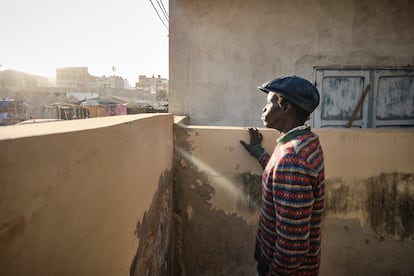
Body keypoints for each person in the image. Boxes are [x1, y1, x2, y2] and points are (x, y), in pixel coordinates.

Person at [240, 76, 325, 275]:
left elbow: (292, 247)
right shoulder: (305, 140)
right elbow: (280, 174)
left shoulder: (293, 159)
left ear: (285, 107)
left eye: (268, 103)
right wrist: (258, 153)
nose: (264, 109)